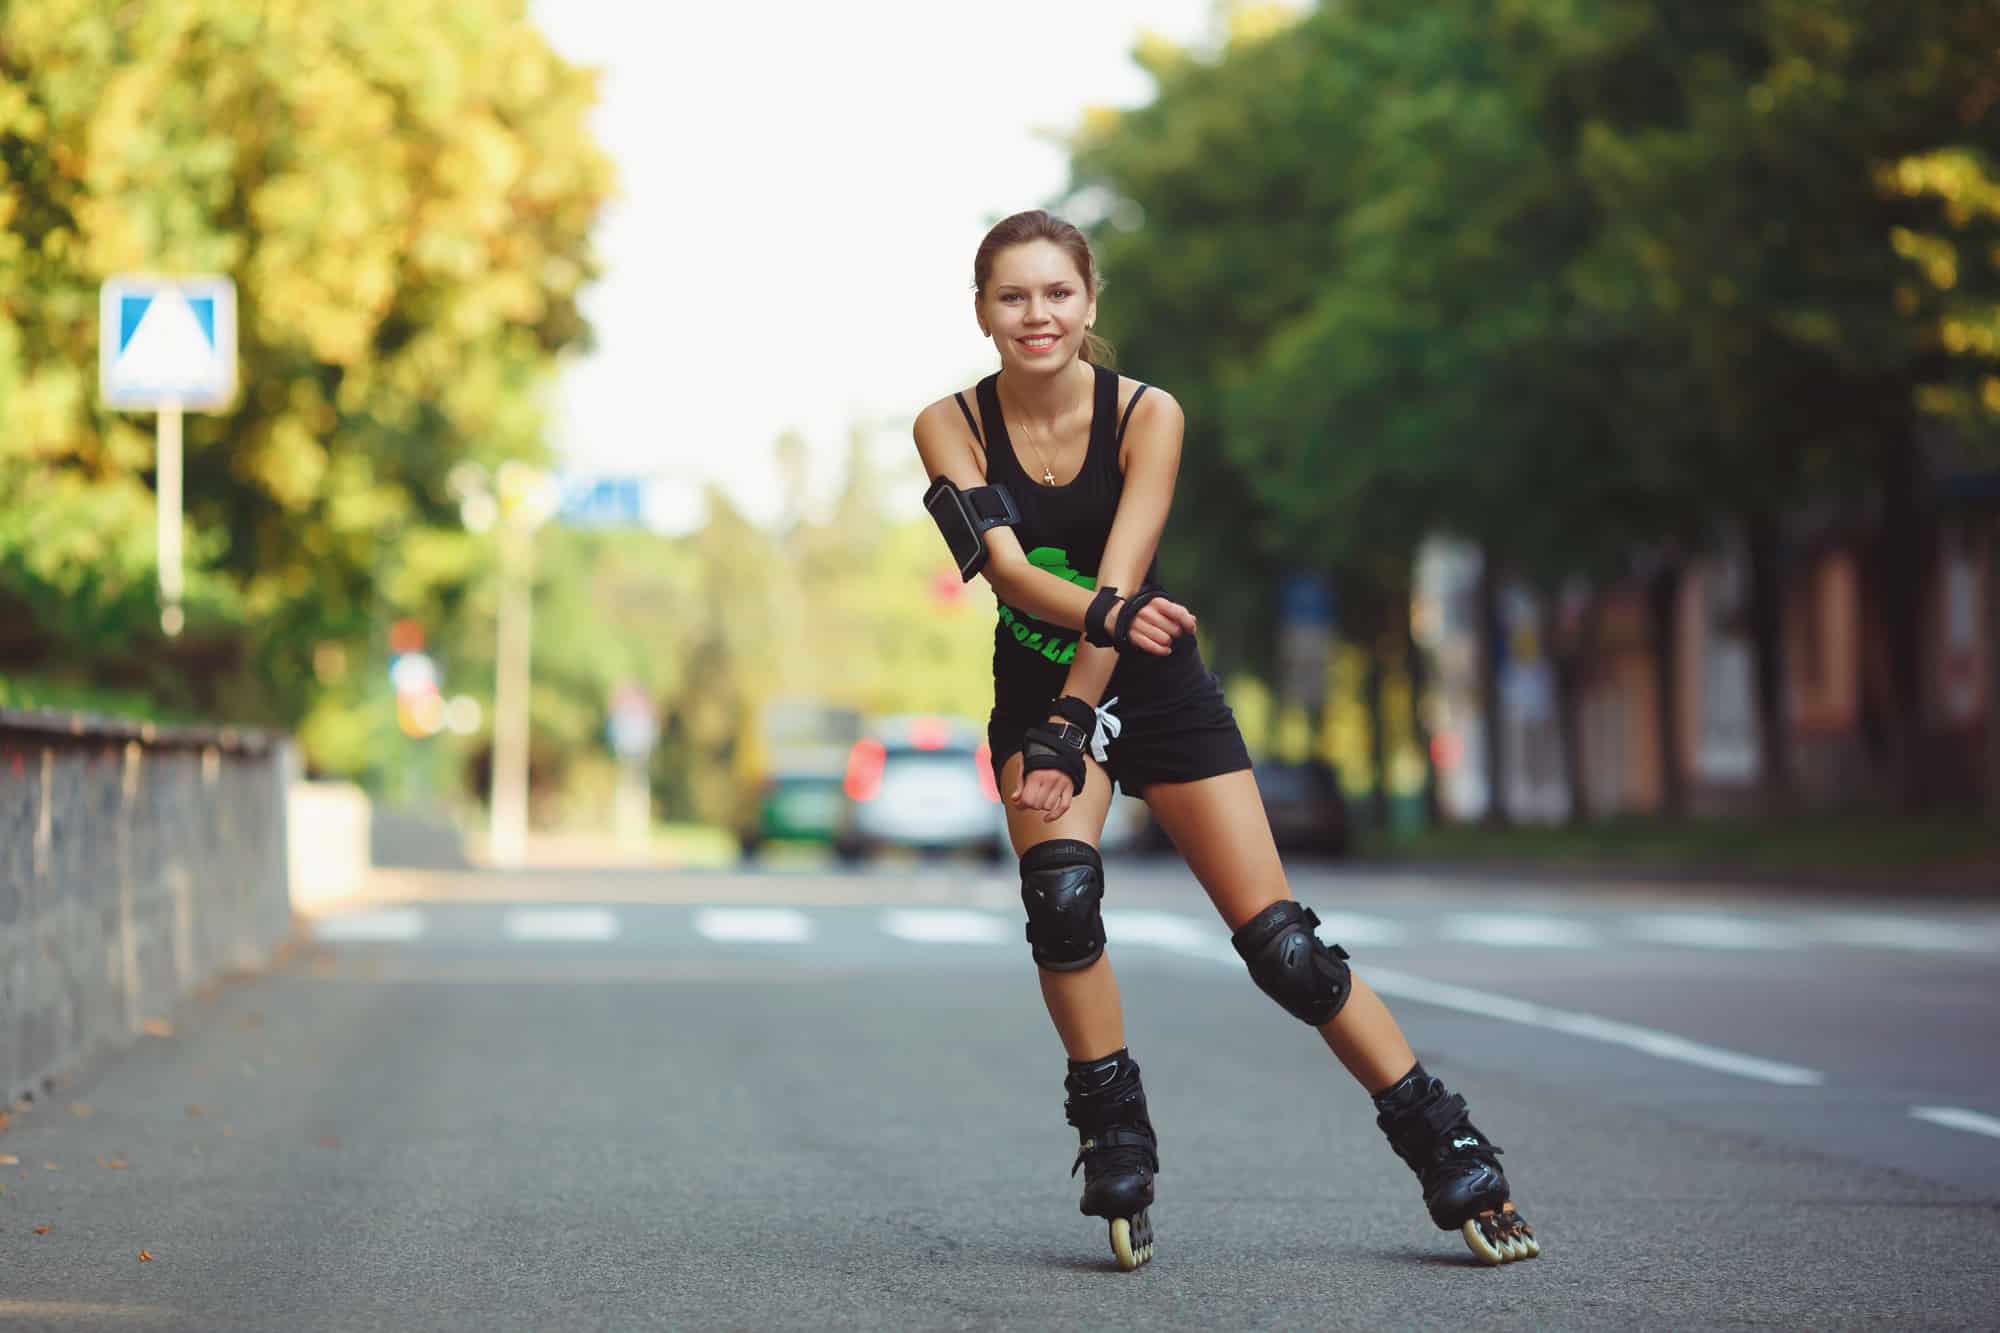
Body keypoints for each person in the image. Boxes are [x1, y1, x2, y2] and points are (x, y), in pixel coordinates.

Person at [912, 209, 1539, 1272]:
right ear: (980, 311)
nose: (1036, 315)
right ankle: (1113, 1131)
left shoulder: (1148, 413)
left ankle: (1446, 1140)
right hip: (1034, 684)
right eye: (1011, 296)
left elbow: (1119, 570)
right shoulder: (948, 423)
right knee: (1059, 899)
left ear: (1088, 302)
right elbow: (1013, 576)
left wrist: (1081, 707)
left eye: (1055, 293)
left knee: (1281, 947)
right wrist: (1068, 694)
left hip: (1154, 694)